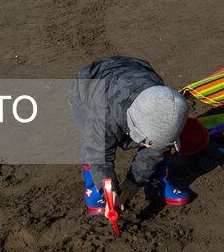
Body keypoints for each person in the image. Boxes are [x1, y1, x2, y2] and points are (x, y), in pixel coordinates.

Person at [69, 57, 191, 216]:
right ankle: (95, 193)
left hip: (135, 71)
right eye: (145, 142)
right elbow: (98, 154)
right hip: (88, 87)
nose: (147, 146)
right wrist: (110, 192)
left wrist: (133, 182)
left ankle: (156, 183)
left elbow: (159, 144)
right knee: (92, 145)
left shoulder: (165, 103)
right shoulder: (102, 115)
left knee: (161, 141)